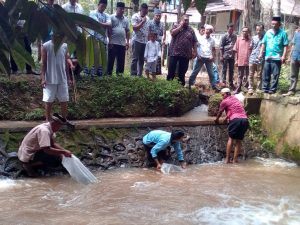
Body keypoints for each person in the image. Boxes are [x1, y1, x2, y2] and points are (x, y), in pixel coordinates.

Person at [41, 32, 73, 122]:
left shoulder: (65, 46)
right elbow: (43, 63)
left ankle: (64, 119)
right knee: (48, 100)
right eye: (53, 35)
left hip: (62, 77)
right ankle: (48, 119)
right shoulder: (46, 46)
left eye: (57, 35)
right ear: (51, 36)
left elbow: (66, 62)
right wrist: (43, 79)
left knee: (64, 99)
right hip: (49, 78)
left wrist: (68, 77)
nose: (55, 37)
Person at [215, 88, 249, 163]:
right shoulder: (235, 99)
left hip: (235, 120)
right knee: (238, 141)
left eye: (223, 95)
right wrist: (226, 117)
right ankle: (235, 160)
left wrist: (217, 120)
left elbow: (220, 112)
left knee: (231, 139)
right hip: (244, 120)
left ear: (227, 94)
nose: (222, 96)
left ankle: (227, 159)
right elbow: (233, 110)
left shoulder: (224, 101)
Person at [258, 16, 288, 94]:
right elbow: (263, 44)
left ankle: (272, 89)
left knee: (275, 75)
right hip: (268, 57)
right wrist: (261, 53)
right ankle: (265, 88)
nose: (273, 25)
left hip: (277, 58)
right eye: (272, 24)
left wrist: (283, 56)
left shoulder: (283, 33)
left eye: (275, 24)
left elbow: (285, 46)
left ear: (279, 24)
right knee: (266, 74)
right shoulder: (268, 32)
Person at [188, 24, 222, 91]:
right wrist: (197, 55)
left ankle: (214, 86)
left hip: (208, 58)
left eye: (209, 30)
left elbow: (213, 49)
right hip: (201, 57)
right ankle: (190, 83)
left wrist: (213, 56)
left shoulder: (212, 40)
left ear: (211, 32)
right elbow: (196, 47)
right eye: (207, 30)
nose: (207, 31)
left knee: (211, 73)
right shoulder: (200, 38)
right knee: (195, 71)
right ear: (205, 30)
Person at [167, 14, 197, 86]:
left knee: (182, 72)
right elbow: (172, 33)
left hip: (185, 54)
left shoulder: (191, 29)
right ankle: (168, 85)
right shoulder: (175, 26)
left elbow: (194, 41)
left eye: (188, 21)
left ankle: (180, 86)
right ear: (181, 20)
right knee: (171, 70)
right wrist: (180, 26)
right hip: (174, 52)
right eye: (185, 20)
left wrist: (195, 51)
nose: (186, 22)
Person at [89, 0, 111, 76]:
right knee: (94, 56)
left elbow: (109, 24)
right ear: (98, 5)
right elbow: (96, 23)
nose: (103, 8)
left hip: (103, 40)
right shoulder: (92, 13)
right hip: (94, 38)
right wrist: (104, 24)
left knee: (102, 57)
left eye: (105, 7)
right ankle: (92, 74)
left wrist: (101, 24)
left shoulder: (107, 15)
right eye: (102, 6)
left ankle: (101, 74)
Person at [107, 2, 130, 76]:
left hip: (122, 43)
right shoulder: (111, 17)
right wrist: (110, 40)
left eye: (123, 9)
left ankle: (119, 74)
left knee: (121, 61)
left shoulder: (126, 19)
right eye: (120, 9)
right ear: (116, 9)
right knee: (111, 60)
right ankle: (109, 74)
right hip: (113, 42)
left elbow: (127, 31)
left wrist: (127, 42)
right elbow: (108, 30)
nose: (122, 10)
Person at [130, 3, 149, 77]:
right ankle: (133, 75)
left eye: (146, 11)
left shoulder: (148, 18)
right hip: (136, 40)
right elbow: (134, 28)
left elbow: (148, 30)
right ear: (141, 9)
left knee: (141, 59)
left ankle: (139, 74)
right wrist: (142, 22)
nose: (145, 12)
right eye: (144, 10)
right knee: (135, 58)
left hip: (144, 41)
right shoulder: (135, 16)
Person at [283, 25, 300, 96]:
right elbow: (293, 45)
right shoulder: (296, 34)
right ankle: (291, 90)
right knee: (293, 75)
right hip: (295, 56)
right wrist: (289, 56)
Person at [233, 26, 251, 94]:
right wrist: (236, 60)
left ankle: (245, 88)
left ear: (248, 32)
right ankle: (238, 88)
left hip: (249, 60)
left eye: (246, 31)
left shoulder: (250, 40)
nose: (244, 32)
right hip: (240, 60)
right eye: (243, 31)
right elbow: (236, 50)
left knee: (248, 75)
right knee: (240, 75)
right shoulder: (239, 39)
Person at [248, 23, 265, 94]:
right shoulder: (253, 38)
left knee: (259, 75)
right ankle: (250, 88)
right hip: (252, 58)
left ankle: (258, 88)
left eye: (260, 30)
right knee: (251, 74)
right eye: (257, 30)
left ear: (262, 30)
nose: (258, 31)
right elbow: (250, 47)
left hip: (260, 59)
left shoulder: (265, 38)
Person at [220, 23, 237, 89]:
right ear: (227, 29)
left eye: (232, 29)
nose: (231, 30)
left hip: (232, 56)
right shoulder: (224, 36)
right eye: (230, 29)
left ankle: (231, 83)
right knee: (224, 69)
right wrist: (221, 56)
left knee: (231, 70)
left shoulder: (235, 36)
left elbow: (236, 45)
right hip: (225, 55)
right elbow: (221, 47)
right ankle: (223, 82)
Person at [148, 8, 165, 75]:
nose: (158, 17)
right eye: (157, 15)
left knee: (158, 58)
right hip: (151, 43)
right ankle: (149, 72)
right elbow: (148, 33)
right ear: (154, 15)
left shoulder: (162, 24)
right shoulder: (150, 23)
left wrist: (163, 41)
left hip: (158, 44)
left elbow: (162, 34)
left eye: (159, 16)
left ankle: (156, 73)